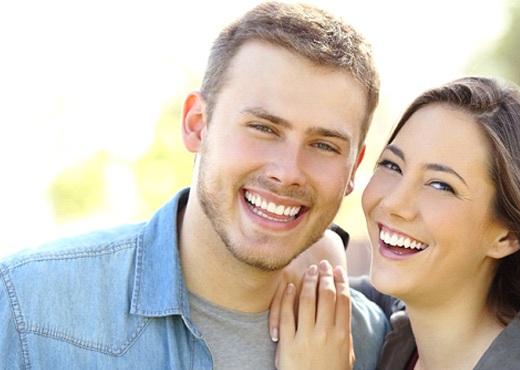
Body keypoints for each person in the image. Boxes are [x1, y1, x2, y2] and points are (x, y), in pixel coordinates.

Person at [0, 2, 389, 369]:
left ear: (353, 167)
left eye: (324, 145)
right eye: (263, 128)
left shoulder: (372, 343)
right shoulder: (30, 307)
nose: (288, 172)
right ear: (197, 124)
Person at [273, 76, 520, 369]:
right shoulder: (398, 330)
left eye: (440, 185)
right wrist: (326, 249)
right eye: (392, 165)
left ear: (507, 235)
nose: (393, 203)